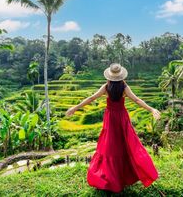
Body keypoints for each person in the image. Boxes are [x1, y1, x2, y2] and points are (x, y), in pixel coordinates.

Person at [65, 63, 161, 193]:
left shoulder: (106, 87)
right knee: (125, 144)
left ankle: (112, 178)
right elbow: (137, 100)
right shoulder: (124, 87)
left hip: (110, 118)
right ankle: (124, 176)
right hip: (122, 118)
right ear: (121, 76)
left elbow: (92, 97)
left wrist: (75, 108)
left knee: (110, 146)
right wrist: (152, 109)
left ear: (109, 76)